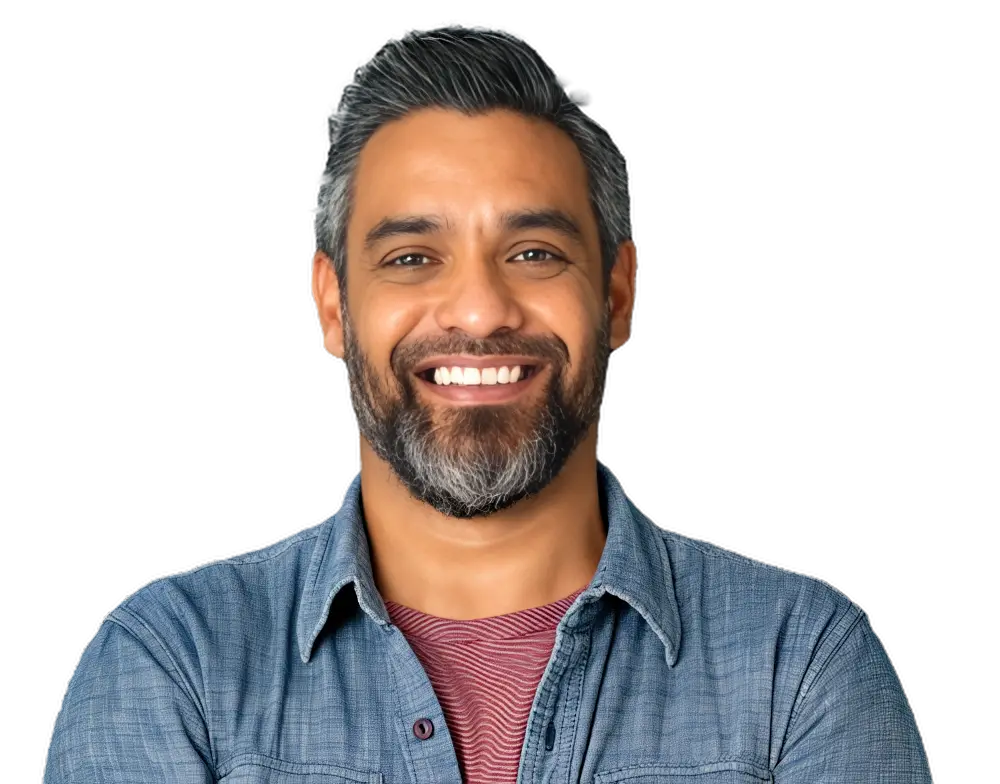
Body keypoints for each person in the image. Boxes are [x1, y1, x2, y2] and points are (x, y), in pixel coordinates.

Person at [44, 21, 933, 783]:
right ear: (330, 306)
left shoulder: (802, 663)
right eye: (410, 257)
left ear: (617, 295)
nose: (479, 310)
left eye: (536, 252)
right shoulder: (172, 665)